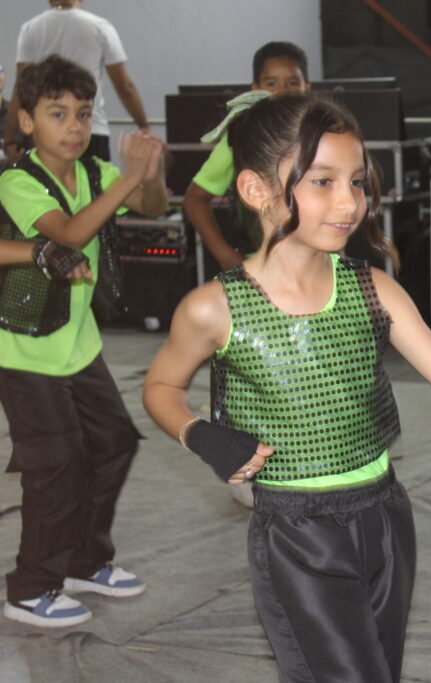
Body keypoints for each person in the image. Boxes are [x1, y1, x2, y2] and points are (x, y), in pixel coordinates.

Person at [142, 92, 431, 681]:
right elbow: (161, 385)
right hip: (297, 532)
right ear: (256, 190)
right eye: (322, 182)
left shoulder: (373, 290)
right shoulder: (214, 308)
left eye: (357, 182)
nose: (349, 202)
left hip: (385, 517)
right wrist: (198, 433)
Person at [0, 54, 167, 627]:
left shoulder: (95, 172)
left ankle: (82, 561)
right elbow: (69, 233)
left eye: (83, 114)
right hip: (24, 351)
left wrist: (149, 174)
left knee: (114, 442)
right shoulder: (18, 181)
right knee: (56, 462)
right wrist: (128, 179)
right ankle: (31, 587)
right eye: (57, 114)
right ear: (27, 121)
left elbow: (154, 206)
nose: (73, 126)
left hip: (79, 344)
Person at [183, 41, 311, 272]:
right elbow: (195, 199)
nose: (282, 92)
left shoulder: (325, 136)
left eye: (292, 83)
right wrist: (226, 256)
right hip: (261, 267)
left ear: (307, 88)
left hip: (317, 264)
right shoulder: (240, 138)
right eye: (271, 84)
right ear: (255, 88)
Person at [4, 0, 149, 163]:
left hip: (46, 132)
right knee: (99, 179)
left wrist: (9, 137)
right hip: (91, 129)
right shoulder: (101, 27)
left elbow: (21, 87)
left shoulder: (31, 29)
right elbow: (125, 87)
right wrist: (144, 126)